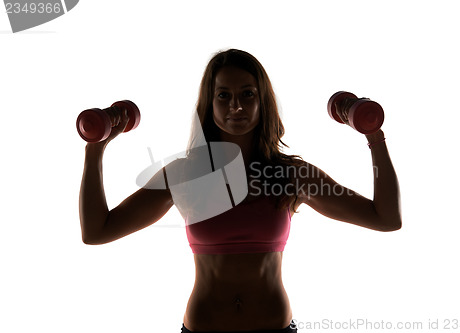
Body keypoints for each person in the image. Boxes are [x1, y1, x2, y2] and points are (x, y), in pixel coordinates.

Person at [79, 49, 402, 333]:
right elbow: (97, 231)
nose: (236, 106)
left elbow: (385, 218)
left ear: (263, 102)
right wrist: (95, 149)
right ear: (209, 103)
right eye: (223, 95)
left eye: (248, 94)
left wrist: (374, 136)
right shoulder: (185, 174)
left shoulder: (292, 175)